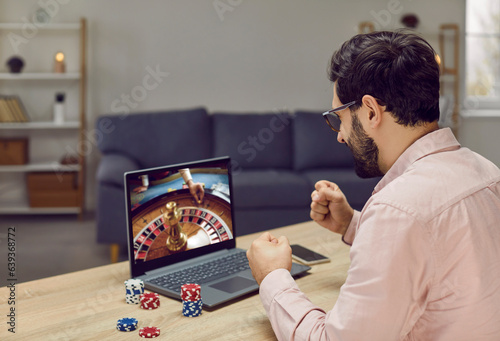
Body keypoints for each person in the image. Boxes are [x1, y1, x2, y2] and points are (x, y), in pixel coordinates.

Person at [246, 30, 500, 340]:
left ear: (370, 111)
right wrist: (354, 223)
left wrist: (273, 277)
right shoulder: (487, 172)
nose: (340, 134)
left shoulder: (398, 210)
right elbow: (441, 255)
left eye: (339, 117)